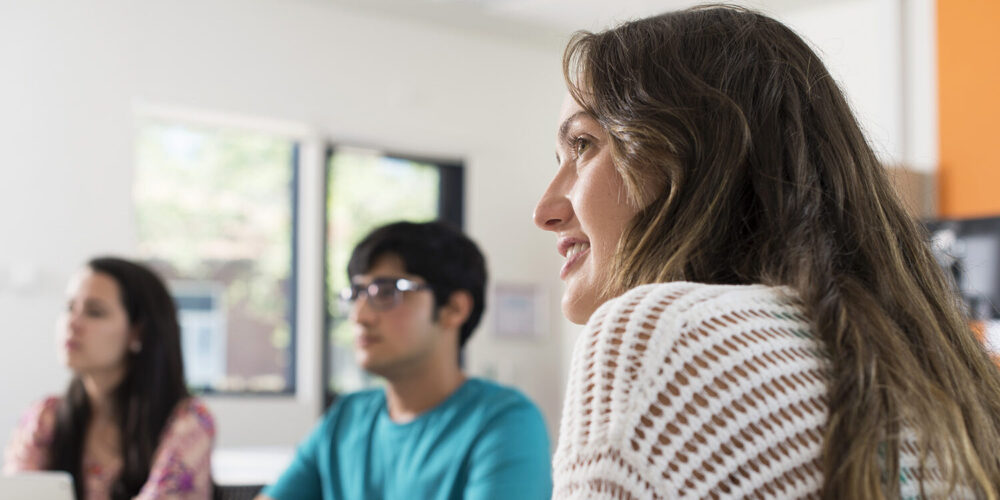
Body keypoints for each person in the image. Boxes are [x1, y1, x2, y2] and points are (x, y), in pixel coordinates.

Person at [534, 5, 1000, 499]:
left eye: (583, 145)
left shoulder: (662, 334)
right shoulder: (940, 373)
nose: (544, 210)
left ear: (695, 154)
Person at [258, 221, 552, 500]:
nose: (360, 315)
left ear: (453, 308)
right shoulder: (346, 418)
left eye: (387, 292)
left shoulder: (505, 422)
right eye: (357, 293)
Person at [3, 257, 215, 499]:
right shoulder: (45, 418)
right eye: (69, 307)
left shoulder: (188, 421)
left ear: (138, 332)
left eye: (94, 312)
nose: (72, 323)